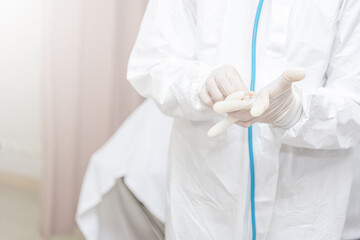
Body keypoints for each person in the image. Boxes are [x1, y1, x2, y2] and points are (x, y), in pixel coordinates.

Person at [127, 0, 360, 239]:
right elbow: (152, 63)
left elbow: (354, 104)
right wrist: (201, 85)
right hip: (204, 201)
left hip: (305, 212)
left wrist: (296, 111)